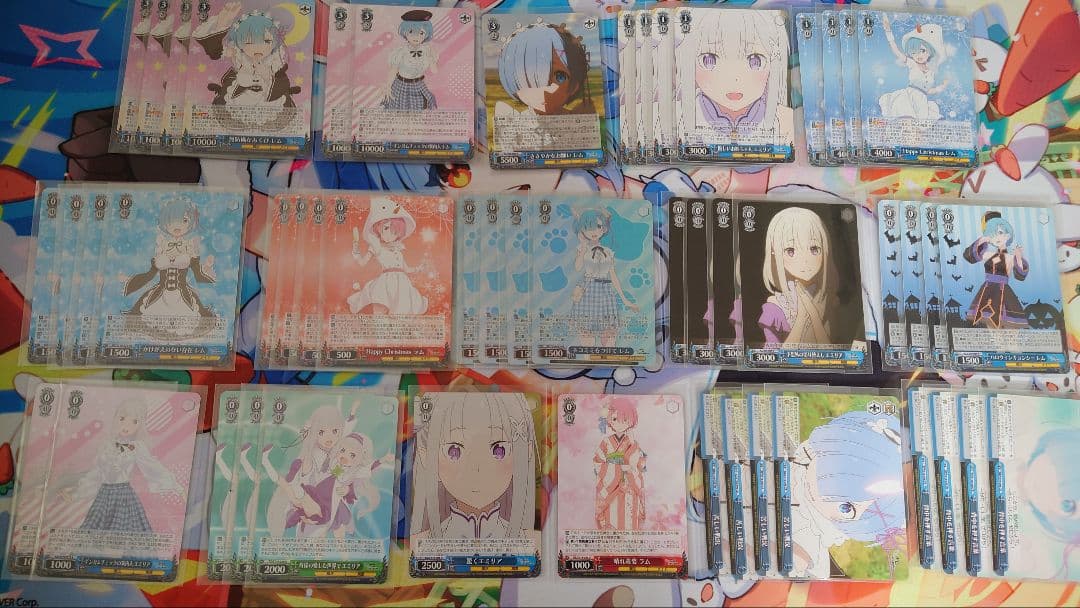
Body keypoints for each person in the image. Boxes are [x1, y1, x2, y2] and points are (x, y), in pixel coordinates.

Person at [963, 211, 1029, 329]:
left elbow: (1021, 275)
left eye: (1000, 233)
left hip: (1004, 291)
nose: (997, 237)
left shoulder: (1010, 257)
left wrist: (1018, 257)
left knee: (1008, 324)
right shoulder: (987, 254)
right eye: (992, 234)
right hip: (987, 290)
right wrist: (982, 240)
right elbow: (969, 256)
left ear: (1008, 235)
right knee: (990, 324)